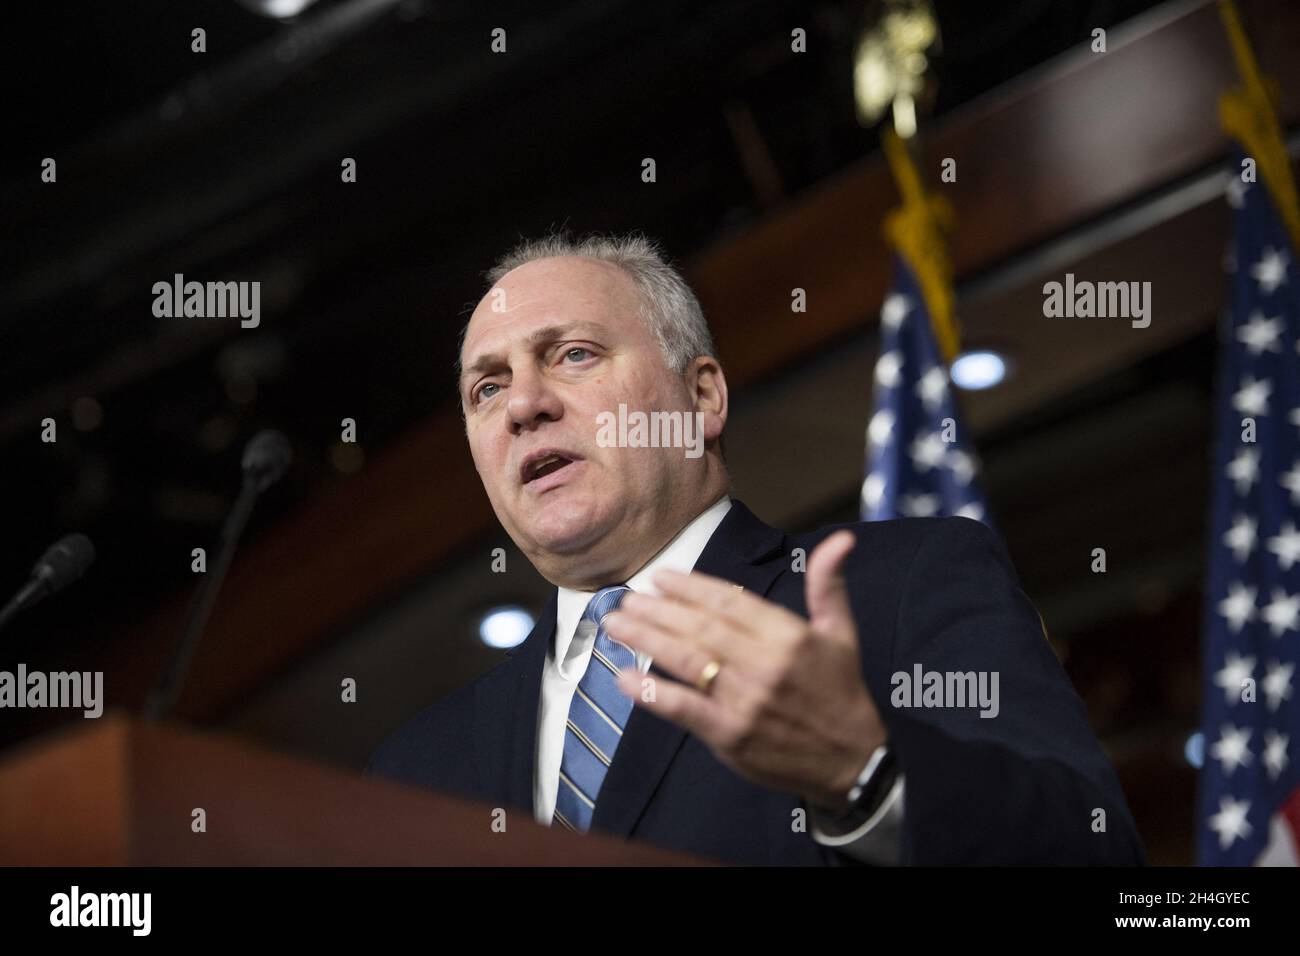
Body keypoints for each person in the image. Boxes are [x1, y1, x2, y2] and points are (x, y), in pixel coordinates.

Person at [366, 233, 1145, 866]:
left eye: (573, 354)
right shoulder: (414, 773)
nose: (525, 405)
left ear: (701, 397)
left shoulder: (904, 586)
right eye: (487, 387)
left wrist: (865, 777)